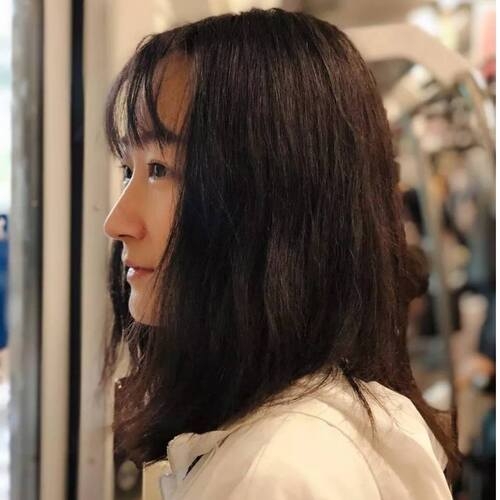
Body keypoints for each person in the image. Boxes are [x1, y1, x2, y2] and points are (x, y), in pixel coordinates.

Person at [102, 8, 461, 499]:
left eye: (160, 169)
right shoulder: (321, 425)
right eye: (129, 170)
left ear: (274, 199)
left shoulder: (278, 472)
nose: (117, 222)